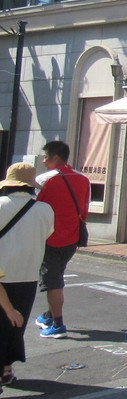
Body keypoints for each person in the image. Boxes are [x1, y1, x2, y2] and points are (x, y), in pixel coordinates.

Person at [0, 162, 53, 387]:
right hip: (27, 275)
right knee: (15, 325)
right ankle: (6, 369)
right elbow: (48, 233)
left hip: (2, 274)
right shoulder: (44, 209)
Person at [33, 141, 90, 339]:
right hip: (72, 239)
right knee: (56, 277)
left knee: (53, 282)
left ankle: (57, 324)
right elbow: (84, 210)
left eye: (46, 157)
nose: (44, 160)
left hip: (49, 238)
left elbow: (32, 208)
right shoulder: (83, 179)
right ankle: (49, 315)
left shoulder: (44, 180)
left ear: (55, 157)